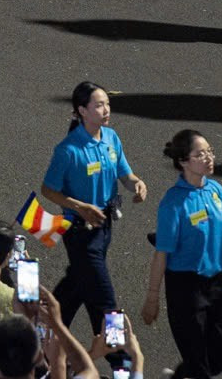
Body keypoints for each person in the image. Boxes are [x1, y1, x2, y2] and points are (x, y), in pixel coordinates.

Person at [141, 129, 222, 379]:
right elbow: (161, 254)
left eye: (210, 152)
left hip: (218, 284)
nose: (208, 158)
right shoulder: (173, 204)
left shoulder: (216, 191)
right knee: (198, 360)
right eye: (200, 154)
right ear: (183, 162)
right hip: (186, 290)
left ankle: (181, 375)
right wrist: (152, 298)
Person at [39, 81, 147, 343]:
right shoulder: (68, 150)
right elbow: (48, 190)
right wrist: (80, 207)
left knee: (76, 286)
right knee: (103, 299)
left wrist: (137, 184)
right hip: (80, 234)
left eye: (107, 104)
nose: (106, 110)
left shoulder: (111, 138)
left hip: (105, 228)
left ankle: (42, 335)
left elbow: (125, 174)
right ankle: (120, 360)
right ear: (82, 111)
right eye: (99, 105)